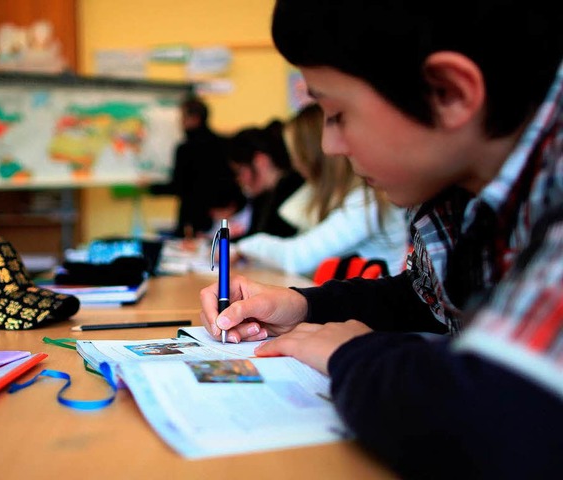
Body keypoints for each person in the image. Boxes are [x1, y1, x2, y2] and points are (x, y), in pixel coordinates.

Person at [199, 0, 563, 478]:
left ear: (448, 93)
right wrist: (302, 305)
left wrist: (350, 354)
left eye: (337, 114)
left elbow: (495, 424)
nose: (331, 146)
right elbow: (427, 300)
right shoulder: (459, 187)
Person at [234, 103, 408, 276]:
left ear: (315, 157)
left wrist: (242, 247)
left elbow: (296, 258)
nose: (295, 164)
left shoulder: (367, 202)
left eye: (298, 154)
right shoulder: (343, 195)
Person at [149, 96, 243, 238]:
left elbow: (178, 186)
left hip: (192, 219)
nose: (180, 123)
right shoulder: (226, 143)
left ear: (195, 118)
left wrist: (151, 188)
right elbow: (236, 181)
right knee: (219, 256)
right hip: (220, 217)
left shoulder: (185, 148)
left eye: (183, 118)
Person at [228, 121, 304, 238]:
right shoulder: (265, 196)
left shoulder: (293, 193)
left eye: (240, 171)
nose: (239, 179)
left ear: (260, 161)